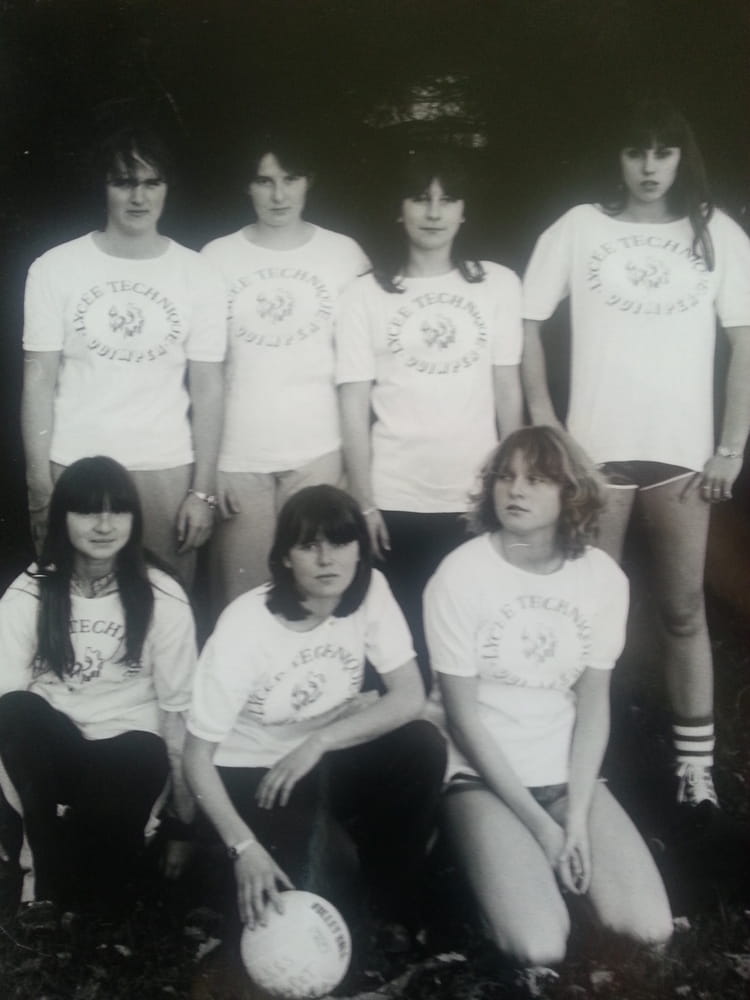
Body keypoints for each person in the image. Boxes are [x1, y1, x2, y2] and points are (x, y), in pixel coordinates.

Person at [521, 99, 750, 808]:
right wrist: (547, 424)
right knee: (585, 617)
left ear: (681, 158)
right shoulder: (580, 227)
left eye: (663, 152)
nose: (649, 167)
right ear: (616, 159)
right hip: (596, 461)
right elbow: (526, 321)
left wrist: (730, 448)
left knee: (683, 612)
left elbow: (745, 340)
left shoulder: (716, 232)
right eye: (635, 152)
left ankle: (696, 774)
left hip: (683, 459)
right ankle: (572, 767)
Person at [424, 427, 673, 970]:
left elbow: (593, 707)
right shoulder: (460, 576)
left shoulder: (602, 578)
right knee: (540, 946)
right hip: (479, 779)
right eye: (505, 477)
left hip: (564, 779)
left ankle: (553, 870)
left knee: (650, 929)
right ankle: (471, 854)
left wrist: (576, 817)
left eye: (536, 480)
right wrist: (542, 828)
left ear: (570, 495)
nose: (515, 491)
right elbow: (463, 721)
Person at [184, 484, 445, 950]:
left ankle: (394, 903)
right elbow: (197, 758)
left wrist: (319, 742)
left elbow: (409, 696)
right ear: (285, 557)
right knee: (324, 893)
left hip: (315, 759)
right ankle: (229, 862)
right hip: (251, 776)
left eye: (341, 543)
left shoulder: (370, 592)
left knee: (421, 744)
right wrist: (244, 849)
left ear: (360, 551)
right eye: (309, 545)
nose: (327, 559)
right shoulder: (245, 627)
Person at [336, 148, 523, 680]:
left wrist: (514, 488)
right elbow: (354, 402)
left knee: (475, 638)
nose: (434, 212)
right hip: (395, 500)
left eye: (448, 199)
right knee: (402, 644)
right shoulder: (363, 296)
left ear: (465, 211)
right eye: (420, 198)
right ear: (399, 210)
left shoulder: (498, 284)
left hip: (475, 496)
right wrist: (365, 502)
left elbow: (507, 390)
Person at [21, 128, 226, 587]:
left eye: (152, 183)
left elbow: (209, 386)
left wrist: (203, 491)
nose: (138, 197)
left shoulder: (199, 273)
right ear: (103, 186)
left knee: (165, 614)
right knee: (76, 612)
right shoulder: (55, 267)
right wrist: (39, 486)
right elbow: (38, 381)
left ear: (168, 189)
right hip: (73, 465)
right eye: (123, 182)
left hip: (165, 470)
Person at [0, 456, 197, 919]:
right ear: (62, 517)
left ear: (135, 518)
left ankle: (76, 850)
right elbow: (5, 710)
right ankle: (42, 867)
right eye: (88, 511)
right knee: (16, 710)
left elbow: (176, 717)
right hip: (49, 755)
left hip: (126, 753)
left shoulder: (162, 595)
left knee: (101, 897)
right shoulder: (32, 589)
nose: (104, 525)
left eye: (118, 510)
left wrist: (181, 826)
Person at [201, 134, 369, 610]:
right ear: (247, 187)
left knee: (320, 597)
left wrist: (352, 469)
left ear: (308, 182)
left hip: (320, 456)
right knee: (243, 601)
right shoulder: (216, 258)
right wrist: (211, 467)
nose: (278, 195)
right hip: (238, 463)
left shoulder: (344, 254)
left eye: (289, 179)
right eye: (263, 181)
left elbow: (360, 369)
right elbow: (205, 372)